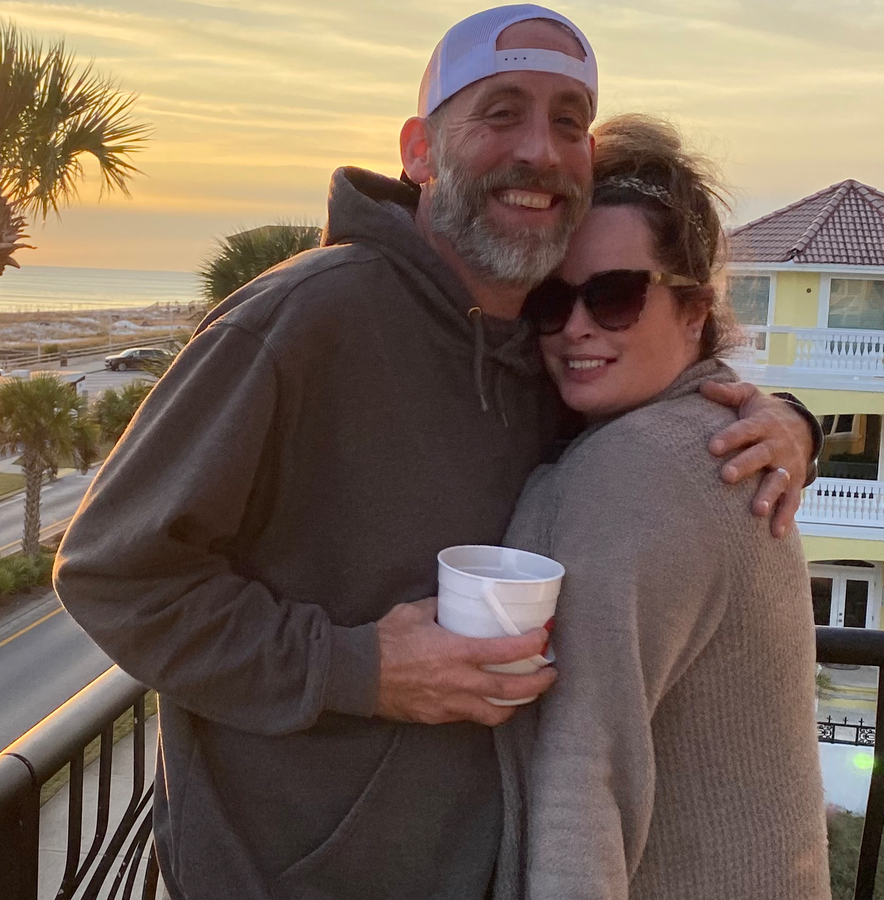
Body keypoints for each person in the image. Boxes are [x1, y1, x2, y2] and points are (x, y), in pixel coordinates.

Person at [54, 7, 819, 898]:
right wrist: (361, 670)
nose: (539, 148)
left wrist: (792, 423)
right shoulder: (303, 322)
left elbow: (658, 402)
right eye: (501, 112)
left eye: (569, 120)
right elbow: (114, 575)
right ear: (420, 151)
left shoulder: (543, 347)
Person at [494, 115, 830, 899]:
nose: (576, 327)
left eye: (615, 297)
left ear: (694, 311)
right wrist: (798, 421)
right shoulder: (702, 432)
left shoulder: (639, 467)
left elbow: (586, 776)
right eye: (551, 298)